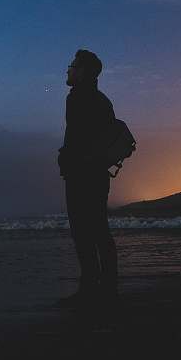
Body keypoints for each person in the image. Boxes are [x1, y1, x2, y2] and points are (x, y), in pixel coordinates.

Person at [57, 49, 117, 306]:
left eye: (72, 65)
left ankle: (91, 289)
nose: (68, 70)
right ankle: (107, 288)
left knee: (83, 232)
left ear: (83, 71)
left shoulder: (79, 98)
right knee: (99, 230)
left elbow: (77, 140)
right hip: (97, 175)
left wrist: (68, 160)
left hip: (83, 175)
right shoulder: (102, 100)